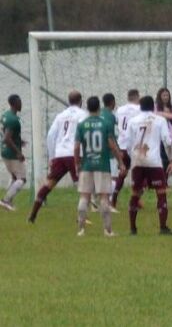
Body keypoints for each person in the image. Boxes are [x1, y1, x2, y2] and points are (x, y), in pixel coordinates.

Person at [28, 91, 88, 223]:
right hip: (74, 154)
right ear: (81, 101)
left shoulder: (60, 115)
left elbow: (50, 135)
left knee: (49, 184)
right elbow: (85, 133)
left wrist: (52, 156)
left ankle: (32, 215)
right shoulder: (83, 115)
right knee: (84, 186)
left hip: (60, 154)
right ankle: (81, 218)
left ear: (69, 100)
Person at [74, 96, 127, 237]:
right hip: (102, 165)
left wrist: (77, 163)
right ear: (99, 108)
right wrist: (120, 162)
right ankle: (107, 230)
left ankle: (80, 229)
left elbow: (76, 147)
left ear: (87, 107)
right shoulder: (105, 124)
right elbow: (112, 145)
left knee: (84, 197)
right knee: (104, 198)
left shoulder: (81, 125)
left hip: (86, 165)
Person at [127, 96, 172, 235]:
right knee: (161, 193)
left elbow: (128, 144)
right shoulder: (160, 120)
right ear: (152, 107)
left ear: (140, 107)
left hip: (138, 160)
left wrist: (133, 160)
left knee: (135, 193)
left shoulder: (133, 121)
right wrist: (171, 160)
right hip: (154, 161)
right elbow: (168, 141)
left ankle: (132, 228)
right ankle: (163, 227)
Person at [111, 89, 140, 209]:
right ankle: (135, 200)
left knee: (122, 174)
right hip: (133, 145)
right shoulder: (139, 109)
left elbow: (118, 124)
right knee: (140, 173)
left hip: (121, 145)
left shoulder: (120, 109)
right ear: (137, 97)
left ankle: (114, 199)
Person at [0, 95, 26, 211]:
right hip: (12, 154)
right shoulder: (13, 120)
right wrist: (18, 152)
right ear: (15, 103)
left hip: (5, 151)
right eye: (20, 101)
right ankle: (5, 200)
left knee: (15, 177)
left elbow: (5, 133)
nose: (21, 104)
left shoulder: (5, 115)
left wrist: (19, 141)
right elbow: (6, 137)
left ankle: (8, 201)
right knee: (22, 179)